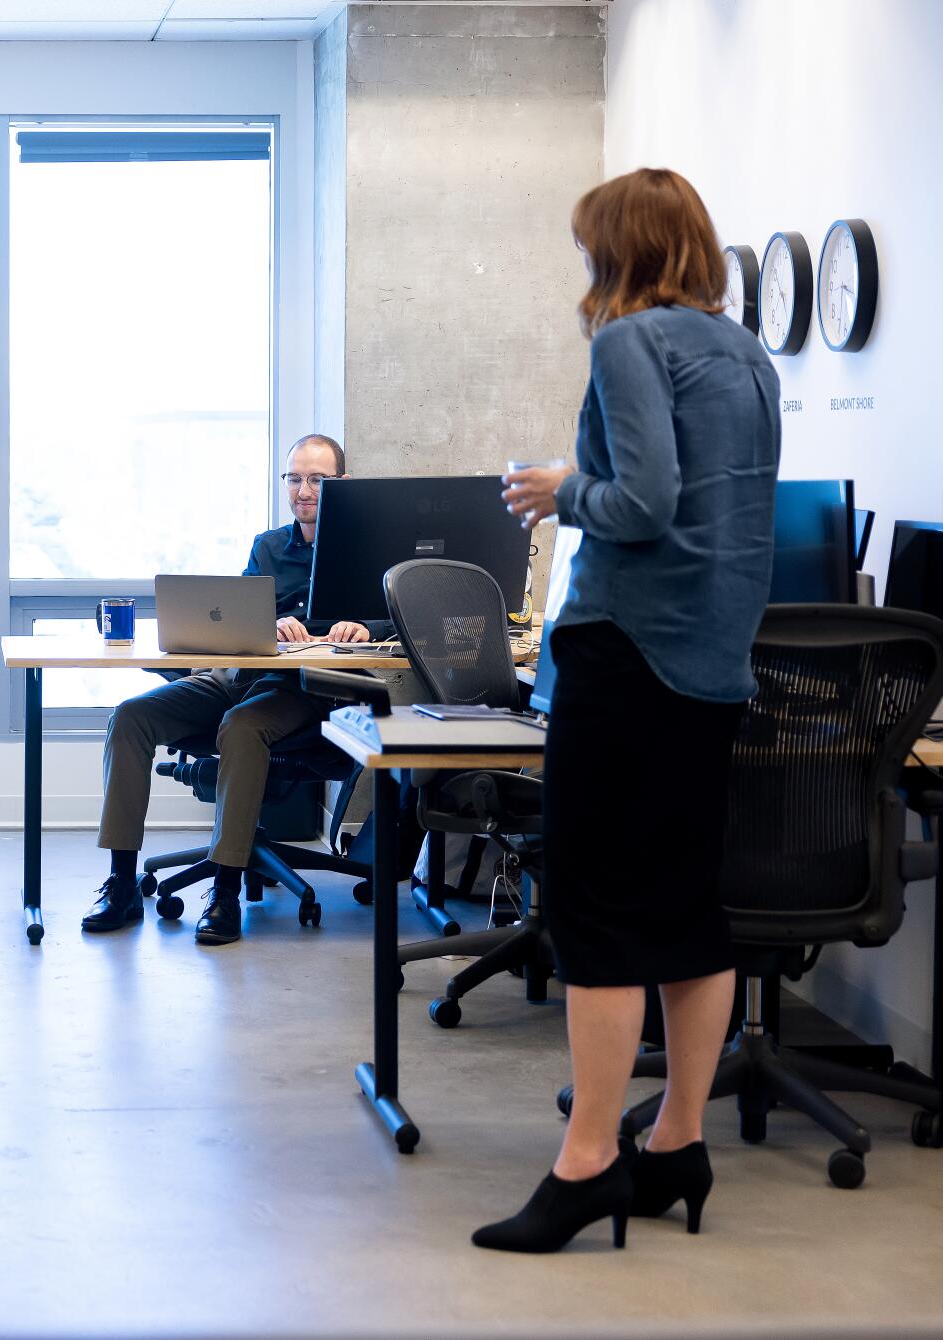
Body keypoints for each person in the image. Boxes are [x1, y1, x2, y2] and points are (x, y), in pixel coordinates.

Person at [476, 167, 779, 1253]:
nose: (584, 270)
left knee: (596, 914)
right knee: (687, 908)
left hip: (626, 654)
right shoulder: (743, 353)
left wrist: (561, 490)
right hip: (710, 663)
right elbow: (717, 510)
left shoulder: (628, 343)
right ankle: (677, 1142)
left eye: (589, 249)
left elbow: (642, 506)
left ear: (621, 252)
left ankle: (586, 1161)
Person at [83, 434, 392, 946]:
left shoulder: (369, 550)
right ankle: (120, 883)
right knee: (130, 717)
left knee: (242, 728)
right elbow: (243, 615)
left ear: (343, 484)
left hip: (305, 692)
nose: (304, 491)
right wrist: (272, 623)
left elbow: (395, 614)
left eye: (317, 479)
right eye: (294, 478)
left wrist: (364, 625)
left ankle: (224, 888)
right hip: (241, 677)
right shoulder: (269, 545)